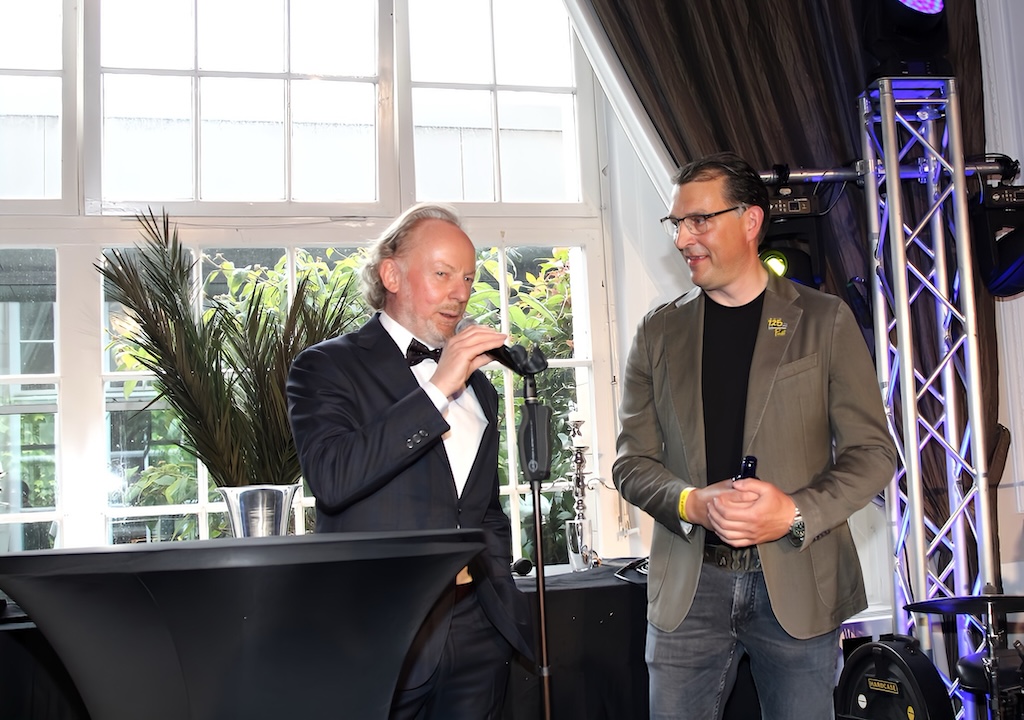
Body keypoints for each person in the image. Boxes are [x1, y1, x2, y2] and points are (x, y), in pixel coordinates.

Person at [612, 152, 897, 720]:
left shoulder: (824, 320)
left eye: (699, 220)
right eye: (677, 223)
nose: (683, 239)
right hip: (688, 591)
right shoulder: (657, 331)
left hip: (798, 585)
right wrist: (691, 503)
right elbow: (631, 463)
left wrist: (793, 512)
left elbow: (873, 454)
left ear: (750, 220)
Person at [286, 202, 532, 720]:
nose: (461, 292)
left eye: (468, 277)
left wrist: (498, 588)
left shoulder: (481, 387)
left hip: (478, 627)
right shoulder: (326, 366)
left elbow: (482, 507)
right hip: (378, 632)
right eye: (443, 273)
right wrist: (438, 387)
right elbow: (333, 479)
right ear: (391, 275)